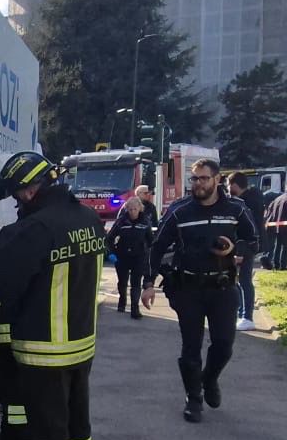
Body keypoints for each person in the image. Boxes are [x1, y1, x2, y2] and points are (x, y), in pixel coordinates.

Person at [0, 151, 107, 440]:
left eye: (18, 192)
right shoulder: (89, 219)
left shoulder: (34, 230)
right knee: (77, 421)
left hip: (44, 348)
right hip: (82, 343)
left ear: (30, 188)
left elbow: (2, 288)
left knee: (47, 428)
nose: (18, 200)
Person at [144, 159, 257, 423]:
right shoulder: (179, 211)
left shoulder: (236, 209)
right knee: (190, 347)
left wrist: (234, 249)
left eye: (204, 178)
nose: (198, 184)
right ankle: (193, 399)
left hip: (222, 287)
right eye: (194, 179)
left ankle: (209, 379)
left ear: (217, 179)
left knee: (224, 345)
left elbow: (254, 240)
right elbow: (157, 247)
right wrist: (148, 284)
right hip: (188, 288)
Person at [0, 216, 29, 440]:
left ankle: (12, 436)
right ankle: (23, 433)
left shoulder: (7, 236)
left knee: (9, 388)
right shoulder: (45, 236)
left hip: (5, 332)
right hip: (33, 332)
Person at [107, 185, 156, 317]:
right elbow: (109, 239)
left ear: (140, 208)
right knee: (122, 282)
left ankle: (135, 308)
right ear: (127, 209)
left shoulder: (145, 222)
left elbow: (151, 241)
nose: (133, 212)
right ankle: (122, 301)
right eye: (130, 209)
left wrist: (148, 254)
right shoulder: (121, 221)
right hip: (122, 255)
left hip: (138, 256)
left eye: (135, 209)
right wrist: (111, 253)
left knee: (136, 283)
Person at [227, 173, 264, 330]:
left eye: (228, 185)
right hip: (247, 246)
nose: (227, 188)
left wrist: (240, 251)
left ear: (235, 185)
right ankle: (241, 314)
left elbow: (245, 230)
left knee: (243, 281)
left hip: (245, 247)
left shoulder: (245, 203)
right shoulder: (252, 199)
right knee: (240, 281)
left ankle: (246, 317)